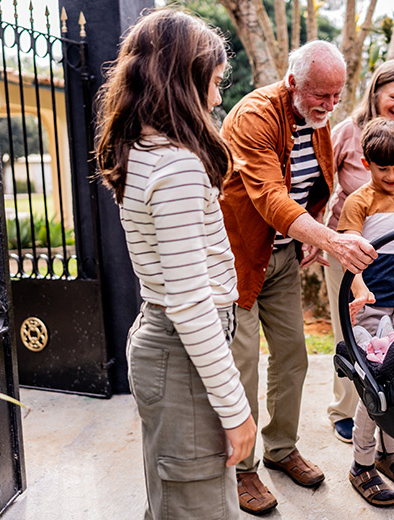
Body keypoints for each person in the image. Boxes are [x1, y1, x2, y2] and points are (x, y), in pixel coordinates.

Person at [94, 9, 255, 519]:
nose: (217, 96)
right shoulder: (177, 165)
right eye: (212, 81)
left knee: (175, 499)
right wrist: (236, 409)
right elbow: (190, 302)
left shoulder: (141, 150)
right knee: (198, 505)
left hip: (167, 346)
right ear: (185, 79)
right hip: (183, 349)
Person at [218, 40, 380, 515]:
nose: (330, 105)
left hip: (284, 258)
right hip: (241, 262)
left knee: (292, 357)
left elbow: (316, 183)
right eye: (321, 95)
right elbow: (269, 196)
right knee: (243, 366)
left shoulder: (318, 122)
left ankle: (281, 448)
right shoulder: (255, 116)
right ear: (292, 84)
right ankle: (242, 469)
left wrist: (312, 226)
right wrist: (332, 240)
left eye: (337, 95)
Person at [325, 59, 394, 443]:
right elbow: (325, 180)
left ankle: (389, 424)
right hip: (352, 251)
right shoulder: (347, 134)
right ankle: (353, 419)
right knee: (357, 342)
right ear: (376, 93)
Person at [340, 118, 394, 507]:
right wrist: (360, 291)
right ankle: (361, 464)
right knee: (373, 391)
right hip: (373, 310)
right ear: (365, 162)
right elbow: (348, 256)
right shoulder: (360, 202)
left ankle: (388, 453)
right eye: (382, 167)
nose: (391, 176)